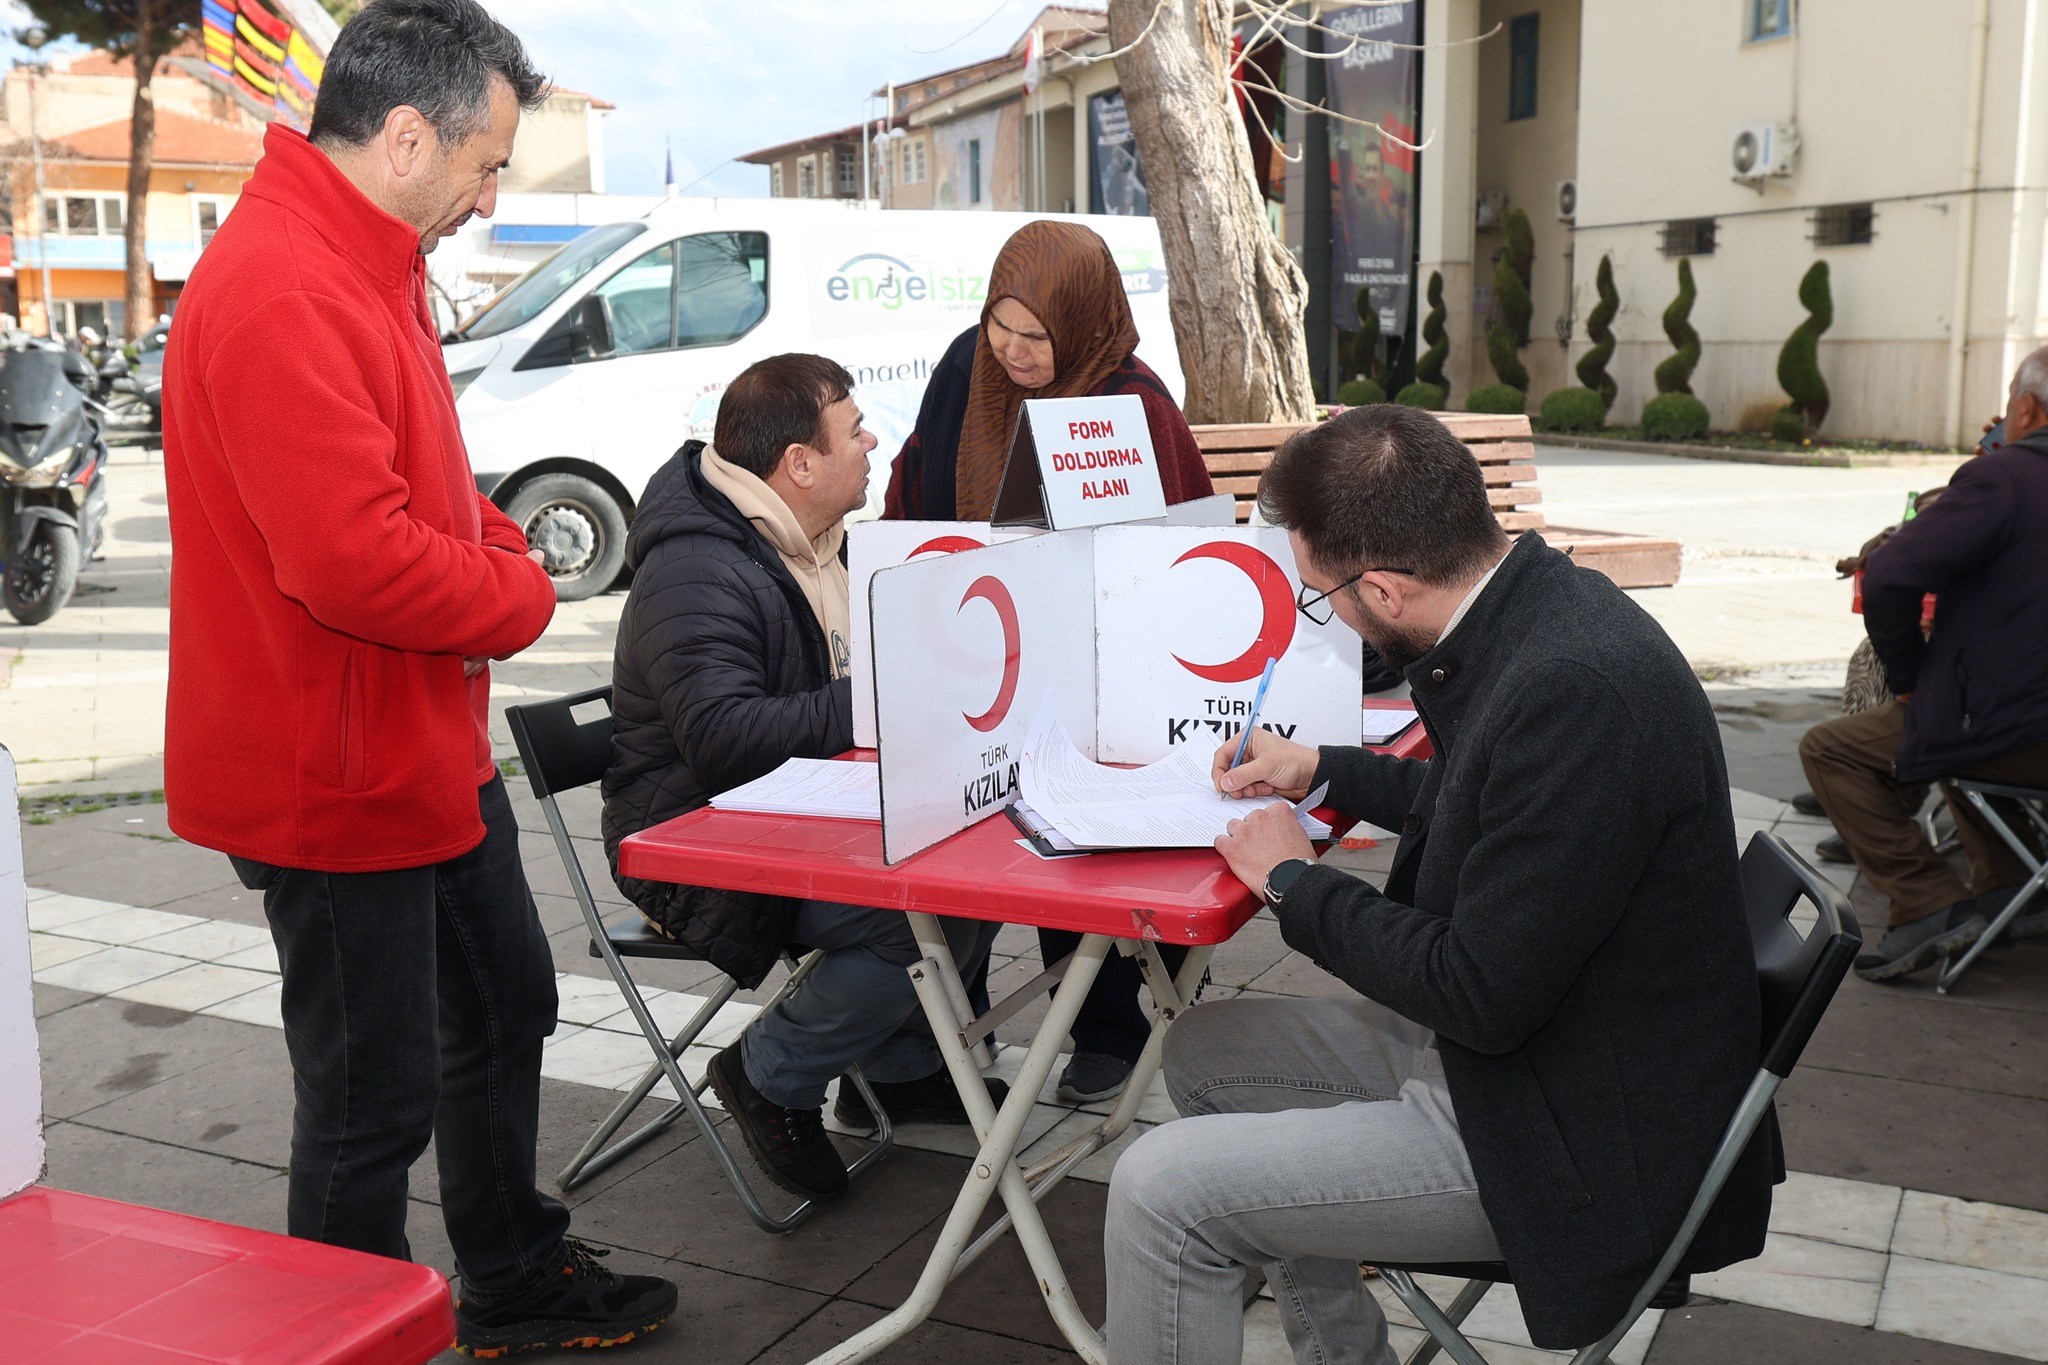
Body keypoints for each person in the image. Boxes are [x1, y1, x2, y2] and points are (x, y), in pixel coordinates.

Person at [161, 1, 676, 1355]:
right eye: (485, 164)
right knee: (365, 1106)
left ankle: (508, 1273)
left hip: (415, 743)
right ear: (403, 139)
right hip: (331, 774)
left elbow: (433, 495)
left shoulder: (360, 256)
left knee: (507, 998)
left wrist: (492, 542)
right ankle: (345, 1336)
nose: (488, 196)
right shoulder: (288, 283)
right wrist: (516, 589)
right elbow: (354, 561)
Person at [1100, 405, 1774, 1364]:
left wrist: (1294, 880)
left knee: (1161, 1191)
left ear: (1384, 585)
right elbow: (1491, 808)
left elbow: (1476, 991)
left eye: (1325, 598)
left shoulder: (1575, 686)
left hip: (1561, 1137)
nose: (1331, 615)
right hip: (1544, 1065)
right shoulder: (1536, 614)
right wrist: (1321, 767)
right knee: (1205, 1049)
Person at [602, 353, 1006, 1204]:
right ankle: (767, 1074)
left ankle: (894, 1070)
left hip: (792, 809)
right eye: (854, 430)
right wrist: (876, 701)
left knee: (975, 877)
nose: (872, 443)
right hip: (694, 842)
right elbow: (721, 738)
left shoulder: (817, 541)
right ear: (800, 464)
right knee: (909, 915)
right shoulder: (699, 567)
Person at [882, 218, 1214, 1103]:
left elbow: (1189, 542)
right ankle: (944, 1046)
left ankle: (1106, 1024)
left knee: (1081, 837)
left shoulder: (1132, 398)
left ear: (1082, 324)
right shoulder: (968, 365)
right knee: (958, 836)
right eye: (1002, 326)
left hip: (1100, 660)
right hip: (978, 646)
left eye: (1037, 335)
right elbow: (916, 488)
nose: (1015, 351)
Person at [1799, 349, 2048, 980]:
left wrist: (1911, 682)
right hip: (2011, 718)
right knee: (1957, 717)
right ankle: (2013, 882)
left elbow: (1886, 575)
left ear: (2024, 407)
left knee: (1836, 748)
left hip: (2020, 730)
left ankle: (1929, 901)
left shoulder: (2006, 477)